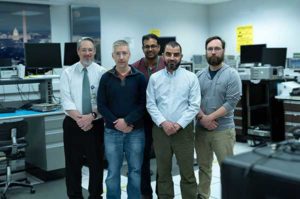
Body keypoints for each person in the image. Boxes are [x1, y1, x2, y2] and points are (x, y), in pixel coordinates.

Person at [146, 41, 201, 199]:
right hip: (160, 131)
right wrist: (164, 123)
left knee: (187, 172)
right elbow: (150, 104)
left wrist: (178, 125)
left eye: (176, 55)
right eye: (169, 54)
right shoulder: (155, 78)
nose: (172, 57)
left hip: (183, 131)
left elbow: (194, 105)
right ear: (163, 56)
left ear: (181, 57)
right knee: (163, 173)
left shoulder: (191, 78)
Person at [97, 40, 147, 199]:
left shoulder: (139, 77)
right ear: (113, 56)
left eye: (124, 53)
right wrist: (117, 123)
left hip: (136, 132)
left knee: (135, 170)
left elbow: (143, 104)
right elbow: (101, 105)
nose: (121, 57)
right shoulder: (106, 78)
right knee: (112, 171)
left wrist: (126, 121)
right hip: (112, 133)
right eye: (118, 53)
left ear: (129, 55)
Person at [195, 36, 242, 199]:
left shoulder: (232, 75)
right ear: (206, 52)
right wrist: (202, 118)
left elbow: (231, 102)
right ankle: (202, 195)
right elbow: (193, 100)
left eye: (217, 48)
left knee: (228, 168)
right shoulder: (199, 75)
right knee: (203, 167)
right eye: (210, 49)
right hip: (201, 130)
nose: (213, 52)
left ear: (223, 51)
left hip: (223, 131)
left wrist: (209, 118)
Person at [60, 37, 107, 199]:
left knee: (96, 163)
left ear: (94, 52)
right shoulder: (67, 73)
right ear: (78, 51)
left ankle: (95, 195)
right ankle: (74, 196)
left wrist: (91, 118)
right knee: (73, 164)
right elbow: (66, 101)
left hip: (96, 124)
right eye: (84, 50)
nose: (87, 53)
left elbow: (104, 101)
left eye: (90, 50)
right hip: (73, 124)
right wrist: (81, 120)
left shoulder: (102, 73)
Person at [132, 33, 165, 199]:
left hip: (162, 120)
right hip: (141, 120)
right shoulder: (135, 67)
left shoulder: (168, 64)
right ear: (142, 48)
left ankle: (162, 192)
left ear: (159, 47)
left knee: (163, 158)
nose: (150, 49)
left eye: (153, 46)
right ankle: (146, 193)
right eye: (147, 46)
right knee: (142, 159)